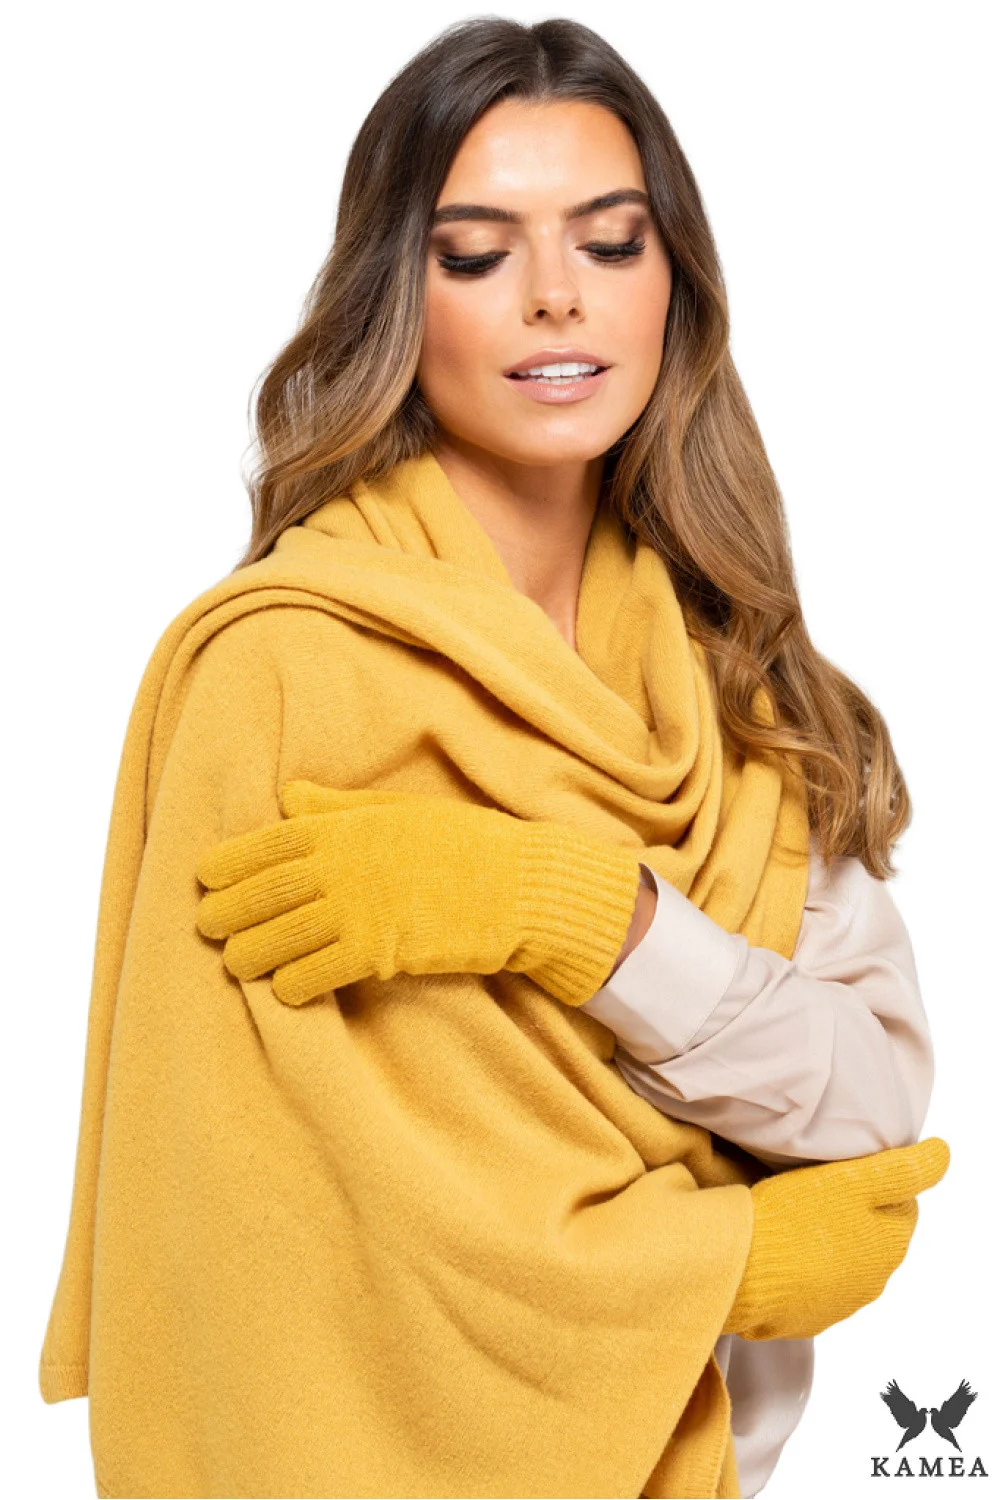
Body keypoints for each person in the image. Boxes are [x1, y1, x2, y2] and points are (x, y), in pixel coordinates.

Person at [38, 17, 949, 1499]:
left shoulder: (735, 678)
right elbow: (288, 1230)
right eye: (475, 254)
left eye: (610, 242)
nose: (553, 297)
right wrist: (714, 1264)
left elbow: (871, 1102)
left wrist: (584, 918)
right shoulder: (285, 672)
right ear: (395, 299)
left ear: (674, 282)